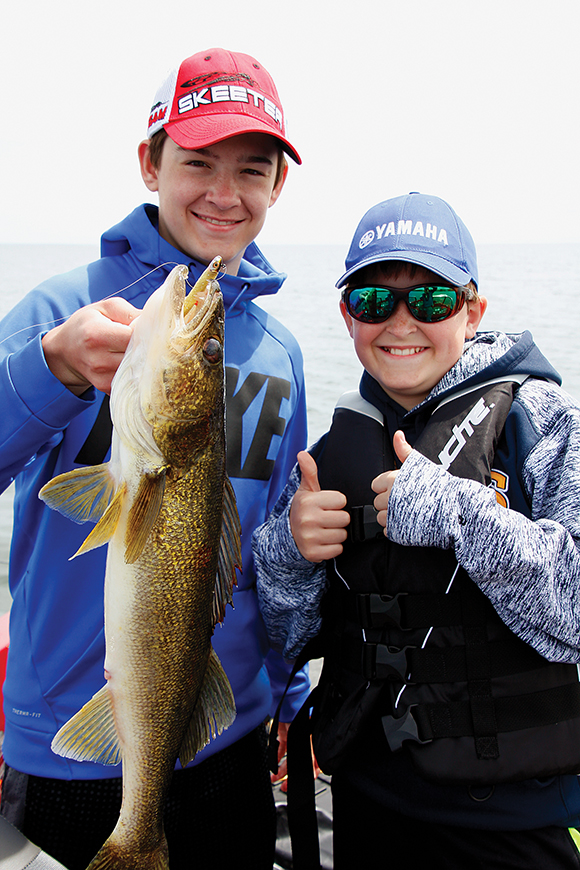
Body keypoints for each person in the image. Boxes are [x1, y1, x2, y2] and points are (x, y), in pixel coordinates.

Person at [0, 47, 310, 870]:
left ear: (277, 186)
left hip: (229, 734)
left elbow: (270, 552)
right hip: (70, 743)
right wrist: (52, 366)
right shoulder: (62, 309)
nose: (223, 192)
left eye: (252, 169)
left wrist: (285, 694)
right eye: (197, 162)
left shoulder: (281, 354)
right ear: (150, 164)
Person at [253, 192, 580, 869]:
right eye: (375, 301)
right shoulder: (331, 453)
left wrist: (455, 514)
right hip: (374, 803)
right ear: (347, 316)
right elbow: (289, 637)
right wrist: (288, 552)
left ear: (473, 310)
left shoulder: (540, 422)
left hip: (523, 817)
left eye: (430, 301)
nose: (401, 322)